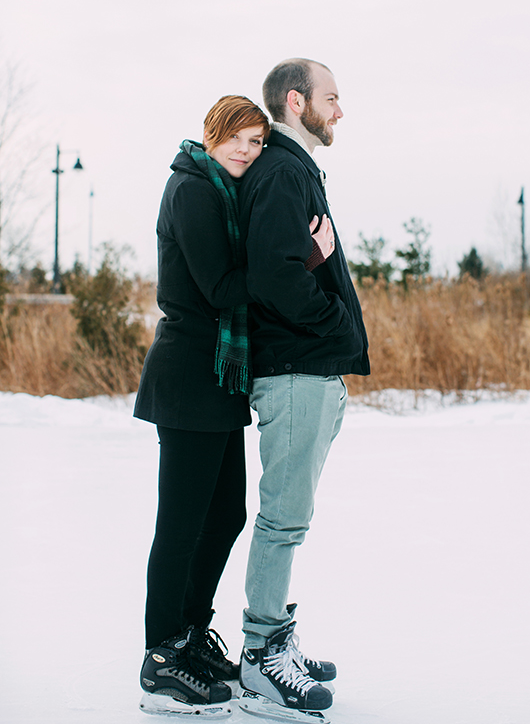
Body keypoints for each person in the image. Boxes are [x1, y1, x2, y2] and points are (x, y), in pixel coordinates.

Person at [135, 96, 334, 717]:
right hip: (188, 372)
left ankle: (192, 635)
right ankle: (161, 657)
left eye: (255, 141)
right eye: (237, 140)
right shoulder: (193, 190)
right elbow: (221, 288)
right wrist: (296, 262)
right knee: (181, 524)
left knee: (222, 517)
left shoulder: (222, 191)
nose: (247, 151)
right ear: (211, 136)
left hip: (217, 378)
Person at [235, 58, 370, 720]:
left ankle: (272, 638)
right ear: (296, 102)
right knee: (282, 519)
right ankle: (261, 656)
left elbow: (293, 263)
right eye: (332, 98)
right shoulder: (285, 172)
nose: (341, 110)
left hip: (305, 370)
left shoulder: (291, 171)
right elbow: (275, 277)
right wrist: (338, 325)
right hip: (294, 372)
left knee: (290, 518)